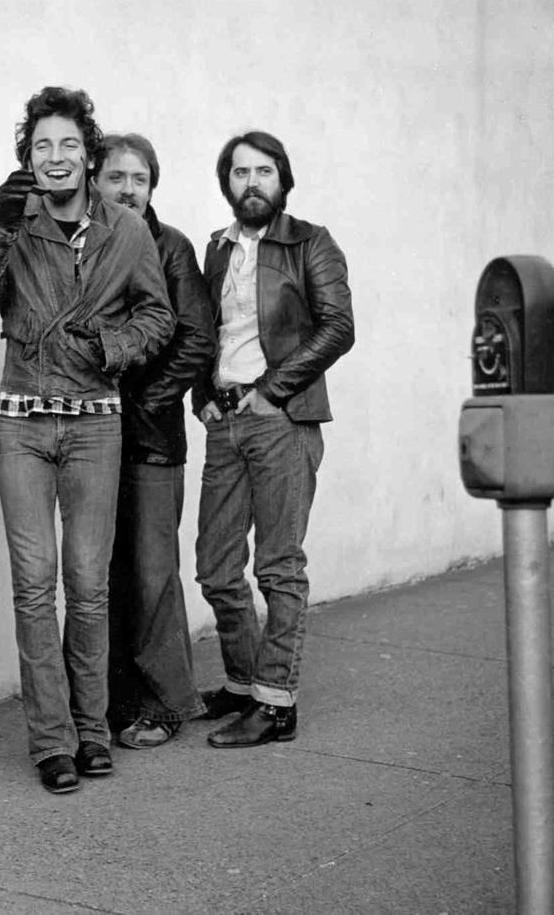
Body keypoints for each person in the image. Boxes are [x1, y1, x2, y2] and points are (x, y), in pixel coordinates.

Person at [0, 88, 174, 794]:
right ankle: (51, 742)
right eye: (41, 146)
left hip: (94, 424)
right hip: (21, 423)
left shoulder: (126, 230)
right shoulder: (16, 223)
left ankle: (92, 730)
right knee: (32, 587)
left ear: (89, 156)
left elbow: (158, 317)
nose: (55, 158)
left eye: (68, 145)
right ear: (28, 157)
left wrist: (110, 346)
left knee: (86, 587)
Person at [194, 130, 354, 747]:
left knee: (279, 566)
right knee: (215, 567)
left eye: (263, 172)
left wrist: (271, 389)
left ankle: (276, 703)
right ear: (226, 183)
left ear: (283, 180)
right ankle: (243, 684)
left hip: (282, 419)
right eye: (239, 173)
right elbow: (207, 333)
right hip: (225, 421)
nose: (251, 183)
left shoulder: (310, 242)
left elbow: (339, 328)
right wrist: (202, 396)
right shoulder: (217, 249)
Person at [91, 133, 215, 749]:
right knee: (100, 571)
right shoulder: (85, 244)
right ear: (95, 181)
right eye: (116, 177)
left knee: (152, 570)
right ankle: (110, 702)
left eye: (139, 179)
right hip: (88, 433)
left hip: (149, 438)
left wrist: (143, 404)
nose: (128, 189)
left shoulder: (172, 247)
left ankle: (165, 703)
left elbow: (196, 338)